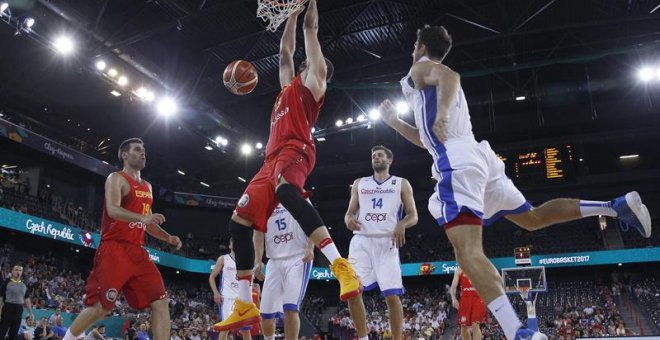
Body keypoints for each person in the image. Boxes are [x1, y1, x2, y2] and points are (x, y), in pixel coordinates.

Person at [380, 25, 651, 340]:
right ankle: (615, 207)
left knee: (467, 253)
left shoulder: (422, 67)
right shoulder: (422, 85)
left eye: (415, 43)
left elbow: (451, 77)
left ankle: (518, 332)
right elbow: (425, 138)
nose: (413, 49)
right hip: (478, 157)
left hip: (456, 160)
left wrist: (440, 113)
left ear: (421, 45)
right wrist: (394, 122)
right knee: (533, 218)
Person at [213, 0, 367, 336]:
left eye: (311, 61)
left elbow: (312, 31)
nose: (304, 62)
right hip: (269, 161)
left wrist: (309, 6)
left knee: (287, 190)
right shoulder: (287, 88)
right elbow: (284, 53)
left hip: (297, 150)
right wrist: (291, 16)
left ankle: (340, 266)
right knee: (238, 222)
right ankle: (242, 302)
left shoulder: (315, 83)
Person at [62, 138, 182, 340]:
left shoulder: (147, 186)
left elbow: (148, 222)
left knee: (160, 302)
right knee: (101, 307)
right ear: (124, 155)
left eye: (144, 150)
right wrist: (143, 218)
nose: (143, 153)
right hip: (114, 249)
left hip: (137, 250)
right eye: (137, 150)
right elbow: (113, 210)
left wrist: (167, 237)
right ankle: (69, 338)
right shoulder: (116, 178)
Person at [344, 145, 418, 340]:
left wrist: (402, 223)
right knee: (352, 290)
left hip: (387, 242)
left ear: (389, 160)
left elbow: (413, 215)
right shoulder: (360, 183)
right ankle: (362, 338)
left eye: (380, 155)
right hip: (361, 241)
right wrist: (348, 220)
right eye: (373, 156)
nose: (375, 158)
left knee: (392, 296)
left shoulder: (401, 183)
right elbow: (349, 213)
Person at [254, 204, 315, 340]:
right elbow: (257, 234)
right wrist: (258, 260)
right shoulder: (264, 203)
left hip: (298, 256)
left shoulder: (299, 195)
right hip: (274, 260)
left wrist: (310, 246)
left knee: (290, 307)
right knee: (266, 315)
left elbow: (313, 222)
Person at [208, 240, 252, 340]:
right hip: (228, 298)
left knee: (246, 329)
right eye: (234, 241)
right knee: (225, 328)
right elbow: (211, 277)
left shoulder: (246, 260)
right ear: (230, 245)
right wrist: (216, 293)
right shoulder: (223, 259)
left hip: (243, 299)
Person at [0, 264, 34, 340]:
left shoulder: (24, 284)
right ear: (12, 271)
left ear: (22, 272)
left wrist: (30, 313)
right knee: (1, 333)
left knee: (13, 335)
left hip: (18, 311)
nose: (18, 271)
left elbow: (27, 299)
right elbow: (1, 298)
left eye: (20, 270)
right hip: (7, 309)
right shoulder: (6, 282)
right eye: (16, 270)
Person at [451, 268, 486, 340]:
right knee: (463, 326)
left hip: (478, 298)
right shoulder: (459, 270)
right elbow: (453, 287)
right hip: (465, 300)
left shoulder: (479, 267)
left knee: (475, 325)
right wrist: (453, 299)